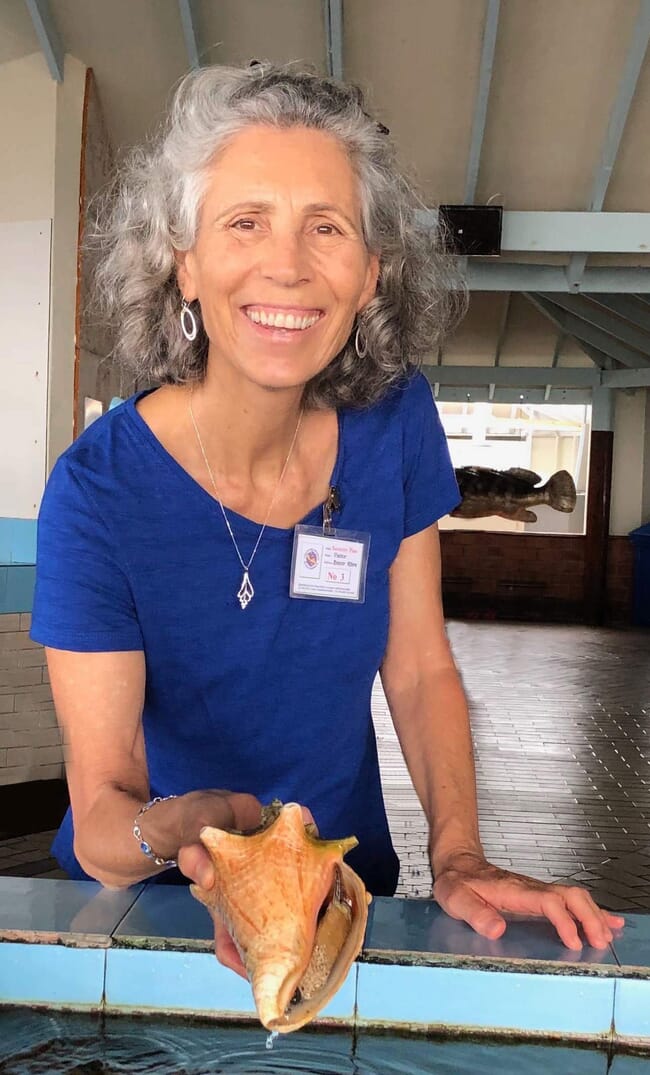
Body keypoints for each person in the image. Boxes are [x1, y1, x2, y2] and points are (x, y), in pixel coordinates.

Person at [31, 64, 622, 973]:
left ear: (369, 273)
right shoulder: (97, 496)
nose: (288, 265)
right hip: (148, 917)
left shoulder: (394, 421)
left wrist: (459, 853)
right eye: (244, 222)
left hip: (345, 897)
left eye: (327, 227)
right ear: (182, 261)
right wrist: (187, 830)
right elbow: (104, 807)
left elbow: (420, 669)